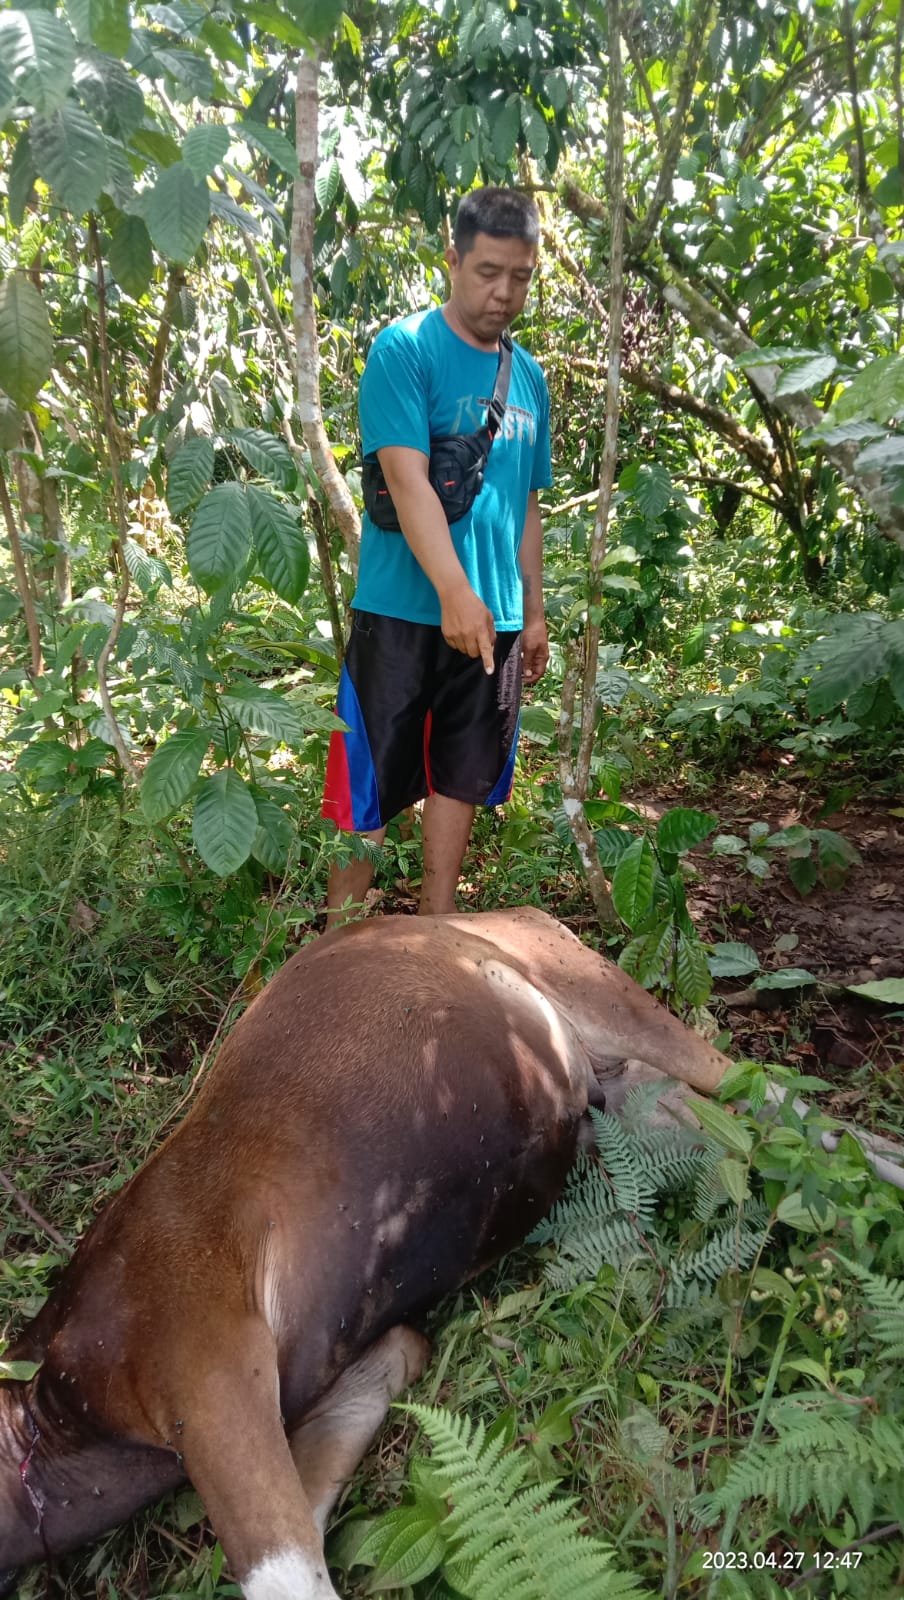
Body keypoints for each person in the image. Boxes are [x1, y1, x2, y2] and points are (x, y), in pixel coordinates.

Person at [322, 186, 551, 923]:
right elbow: (405, 479)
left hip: (495, 621)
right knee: (368, 787)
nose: (504, 292)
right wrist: (454, 591)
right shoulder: (405, 349)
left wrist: (534, 610)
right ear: (451, 258)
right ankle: (336, 943)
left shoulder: (531, 380)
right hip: (401, 610)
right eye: (488, 272)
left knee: (462, 776)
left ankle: (437, 933)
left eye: (520, 276)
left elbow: (525, 505)